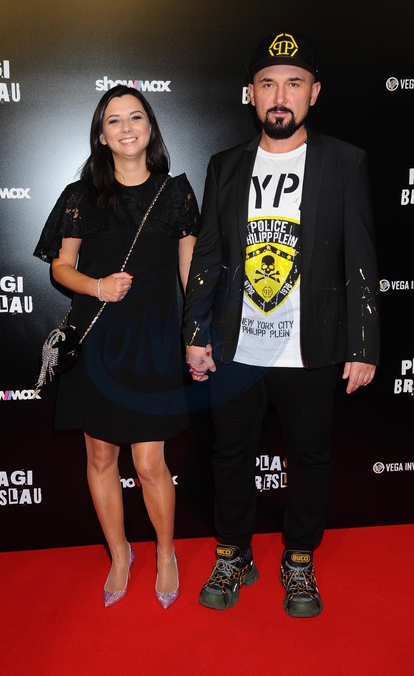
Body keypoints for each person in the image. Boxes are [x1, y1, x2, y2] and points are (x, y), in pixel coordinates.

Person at [183, 31, 379, 617]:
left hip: (310, 348)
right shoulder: (224, 166)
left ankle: (298, 560)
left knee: (311, 458)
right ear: (250, 93)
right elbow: (208, 255)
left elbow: (361, 258)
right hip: (235, 347)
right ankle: (234, 553)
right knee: (230, 456)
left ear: (313, 93)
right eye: (267, 83)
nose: (280, 95)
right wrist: (196, 333)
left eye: (294, 83)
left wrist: (363, 343)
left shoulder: (345, 161)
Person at [34, 85, 199, 609]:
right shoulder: (81, 196)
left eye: (136, 117)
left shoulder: (176, 193)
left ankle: (166, 552)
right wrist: (97, 286)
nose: (126, 128)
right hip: (97, 338)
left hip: (152, 345)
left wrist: (195, 336)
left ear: (150, 127)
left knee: (150, 463)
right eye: (114, 120)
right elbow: (61, 267)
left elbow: (190, 272)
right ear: (102, 136)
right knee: (101, 455)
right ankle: (120, 553)